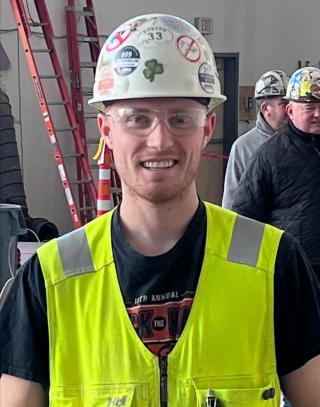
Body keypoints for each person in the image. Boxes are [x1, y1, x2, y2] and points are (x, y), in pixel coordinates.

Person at [1, 14, 320, 407]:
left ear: (207, 128)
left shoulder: (274, 264)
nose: (160, 140)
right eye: (138, 118)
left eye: (180, 119)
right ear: (106, 130)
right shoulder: (49, 280)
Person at [232, 66, 320, 283]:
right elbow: (245, 215)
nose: (318, 113)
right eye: (310, 106)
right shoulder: (269, 156)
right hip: (293, 271)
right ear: (290, 111)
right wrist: (243, 276)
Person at [222, 70, 289, 209]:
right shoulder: (243, 147)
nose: (290, 108)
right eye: (283, 103)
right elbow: (231, 201)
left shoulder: (302, 141)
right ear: (266, 108)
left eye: (292, 102)